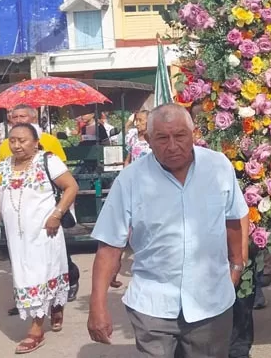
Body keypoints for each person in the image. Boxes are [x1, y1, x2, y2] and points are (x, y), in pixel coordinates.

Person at [87, 104, 247, 358]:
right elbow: (109, 245)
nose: (172, 146)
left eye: (180, 136)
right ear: (148, 140)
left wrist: (237, 266)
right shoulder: (130, 180)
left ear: (193, 134)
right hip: (153, 304)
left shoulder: (218, 167)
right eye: (162, 138)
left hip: (211, 301)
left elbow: (234, 218)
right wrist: (97, 305)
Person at [0, 123, 78, 354]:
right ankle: (53, 306)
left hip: (45, 232)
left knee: (42, 273)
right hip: (17, 237)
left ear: (35, 142)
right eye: (12, 140)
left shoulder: (48, 161)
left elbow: (70, 187)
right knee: (26, 275)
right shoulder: (4, 167)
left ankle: (36, 330)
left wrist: (57, 214)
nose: (16, 145)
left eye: (22, 140)